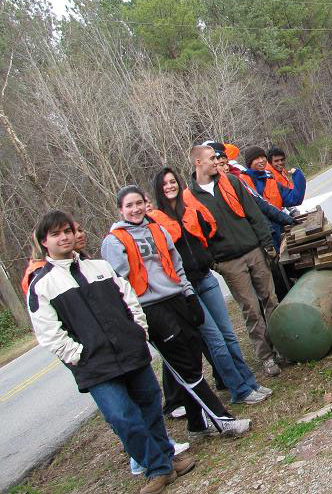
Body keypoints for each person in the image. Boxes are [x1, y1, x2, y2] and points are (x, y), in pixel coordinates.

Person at [27, 210, 196, 494]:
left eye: (67, 231)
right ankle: (157, 468)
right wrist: (81, 355)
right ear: (45, 242)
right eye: (56, 234)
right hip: (96, 367)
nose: (65, 237)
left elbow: (129, 299)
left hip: (131, 353)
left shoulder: (100, 267)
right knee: (122, 417)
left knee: (150, 408)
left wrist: (138, 332)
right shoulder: (42, 285)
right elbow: (50, 334)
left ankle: (166, 461)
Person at [101, 186, 251, 441]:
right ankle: (222, 421)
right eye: (129, 205)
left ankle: (196, 426)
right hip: (151, 308)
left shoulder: (156, 229)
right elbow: (118, 284)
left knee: (193, 361)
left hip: (177, 299)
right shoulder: (114, 241)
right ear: (120, 210)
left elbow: (176, 266)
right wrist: (133, 318)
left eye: (139, 203)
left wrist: (190, 295)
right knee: (184, 365)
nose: (136, 209)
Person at [150, 167, 271, 406]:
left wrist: (211, 261)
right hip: (186, 287)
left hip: (206, 279)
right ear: (159, 189)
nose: (170, 186)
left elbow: (210, 233)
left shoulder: (191, 210)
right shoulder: (155, 221)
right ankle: (239, 390)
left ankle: (250, 382)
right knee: (215, 341)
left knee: (229, 336)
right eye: (165, 184)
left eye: (173, 181)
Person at [188, 144, 285, 376]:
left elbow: (254, 214)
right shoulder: (190, 198)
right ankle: (266, 356)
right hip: (229, 262)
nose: (217, 161)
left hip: (253, 250)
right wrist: (215, 262)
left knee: (271, 300)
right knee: (251, 309)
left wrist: (267, 244)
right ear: (198, 163)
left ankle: (282, 346)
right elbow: (197, 237)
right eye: (212, 158)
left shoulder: (231, 182)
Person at [241, 145, 306, 249]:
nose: (261, 160)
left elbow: (295, 199)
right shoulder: (242, 182)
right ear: (249, 162)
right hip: (263, 239)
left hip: (280, 231)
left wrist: (298, 176)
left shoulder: (271, 181)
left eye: (263, 157)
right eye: (257, 158)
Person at [21, 220, 88, 294]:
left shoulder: (84, 261)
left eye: (80, 230)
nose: (79, 235)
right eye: (56, 235)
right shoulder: (40, 274)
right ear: (44, 242)